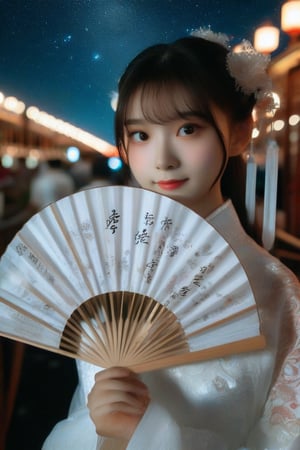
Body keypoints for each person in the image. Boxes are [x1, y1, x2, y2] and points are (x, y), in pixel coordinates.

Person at [43, 29, 300, 450]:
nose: (162, 158)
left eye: (188, 128)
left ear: (239, 132)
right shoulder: (108, 268)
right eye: (141, 135)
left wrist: (146, 435)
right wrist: (105, 429)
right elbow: (89, 415)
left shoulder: (278, 292)